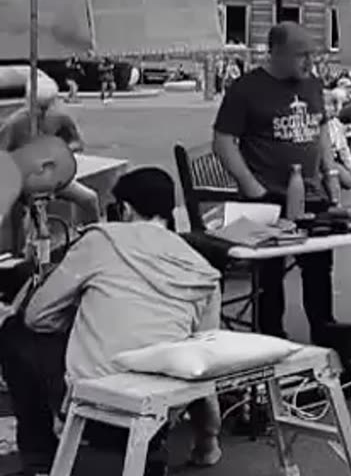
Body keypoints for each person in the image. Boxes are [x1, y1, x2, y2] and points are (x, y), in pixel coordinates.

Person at [1, 167, 222, 476]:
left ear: (125, 209)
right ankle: (159, 448)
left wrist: (75, 322)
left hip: (96, 407)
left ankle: (39, 461)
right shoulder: (203, 269)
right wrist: (208, 439)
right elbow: (206, 358)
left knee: (16, 332)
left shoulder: (102, 241)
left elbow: (38, 315)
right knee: (188, 352)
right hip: (161, 411)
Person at [212, 22, 341, 343]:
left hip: (311, 192)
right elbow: (223, 141)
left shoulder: (311, 83)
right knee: (269, 275)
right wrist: (252, 186)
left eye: (311, 53)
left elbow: (321, 129)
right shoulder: (246, 89)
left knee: (319, 267)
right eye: (301, 55)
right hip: (267, 195)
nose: (309, 61)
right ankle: (272, 339)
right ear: (277, 53)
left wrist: (332, 173)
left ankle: (325, 333)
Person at [0, 91, 100, 223]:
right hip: (23, 180)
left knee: (89, 199)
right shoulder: (14, 123)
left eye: (46, 107)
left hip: (53, 178)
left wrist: (62, 151)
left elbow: (77, 142)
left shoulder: (61, 118)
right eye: (39, 107)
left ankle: (91, 236)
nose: (42, 112)